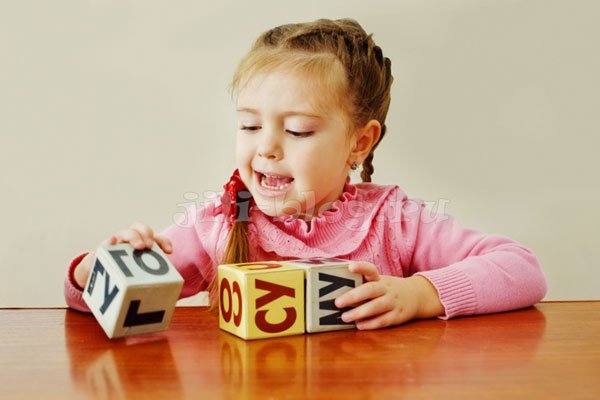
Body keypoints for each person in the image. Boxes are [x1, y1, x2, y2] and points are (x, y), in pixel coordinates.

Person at [64, 18, 547, 330]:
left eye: (296, 131)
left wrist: (421, 294)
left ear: (360, 142)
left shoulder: (395, 219)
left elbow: (523, 269)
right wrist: (95, 272)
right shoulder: (216, 223)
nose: (266, 147)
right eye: (250, 125)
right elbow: (108, 303)